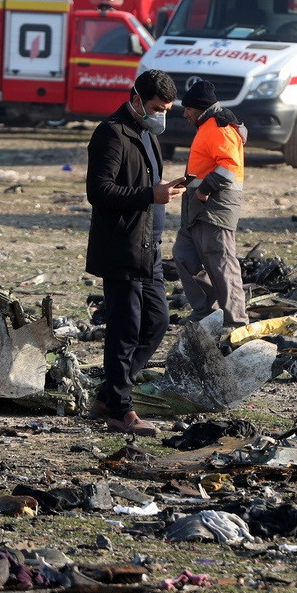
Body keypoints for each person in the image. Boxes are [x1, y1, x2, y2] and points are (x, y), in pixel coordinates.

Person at [84, 68, 186, 436]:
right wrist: (150, 196)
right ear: (136, 98)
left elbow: (146, 182)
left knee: (156, 322)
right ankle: (120, 410)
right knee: (125, 329)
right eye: (157, 107)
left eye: (167, 109)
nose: (162, 115)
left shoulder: (146, 134)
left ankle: (108, 395)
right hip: (122, 247)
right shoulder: (112, 133)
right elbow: (99, 191)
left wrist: (162, 189)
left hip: (150, 248)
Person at [172, 78, 248, 329]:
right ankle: (206, 310)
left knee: (221, 262)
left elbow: (229, 166)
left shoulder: (218, 127)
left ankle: (235, 320)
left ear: (200, 108)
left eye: (188, 110)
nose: (185, 114)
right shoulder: (208, 126)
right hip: (198, 205)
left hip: (215, 206)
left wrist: (204, 190)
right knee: (184, 255)